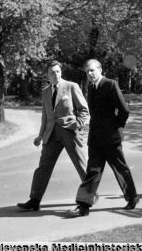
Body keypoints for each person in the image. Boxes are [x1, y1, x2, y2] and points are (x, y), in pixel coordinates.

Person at [69, 59, 139, 217]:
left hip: (111, 137)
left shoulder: (110, 84)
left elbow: (124, 110)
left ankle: (132, 197)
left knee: (121, 168)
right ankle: (84, 206)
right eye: (87, 72)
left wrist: (116, 126)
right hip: (95, 138)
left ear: (100, 70)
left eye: (92, 70)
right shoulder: (91, 87)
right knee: (93, 171)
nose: (90, 74)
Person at [17, 61, 90, 211]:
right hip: (51, 135)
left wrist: (78, 124)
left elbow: (84, 110)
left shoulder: (71, 87)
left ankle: (89, 197)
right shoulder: (45, 91)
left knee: (82, 166)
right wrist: (40, 136)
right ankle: (34, 200)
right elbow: (45, 116)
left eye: (58, 71)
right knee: (43, 168)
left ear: (61, 72)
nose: (56, 74)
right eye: (52, 72)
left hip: (70, 133)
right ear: (47, 75)